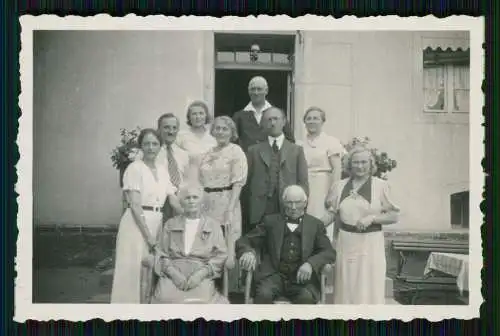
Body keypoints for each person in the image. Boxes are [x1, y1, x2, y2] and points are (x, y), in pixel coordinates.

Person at [324, 145, 400, 304]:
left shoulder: (381, 186)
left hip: (370, 243)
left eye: (364, 162)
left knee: (369, 287)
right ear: (349, 164)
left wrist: (372, 218)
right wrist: (312, 227)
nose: (360, 166)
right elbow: (332, 214)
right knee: (346, 287)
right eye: (356, 162)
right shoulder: (338, 186)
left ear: (371, 164)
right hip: (346, 242)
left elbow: (394, 216)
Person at [111, 129, 179, 303]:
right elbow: (134, 205)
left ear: (160, 147)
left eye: (155, 144)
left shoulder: (163, 170)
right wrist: (149, 237)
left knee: (150, 274)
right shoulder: (135, 168)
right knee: (132, 271)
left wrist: (192, 215)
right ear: (141, 146)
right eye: (147, 143)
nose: (151, 148)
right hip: (136, 224)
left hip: (157, 221)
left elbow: (172, 199)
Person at [236, 185, 336, 304]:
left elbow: (329, 252)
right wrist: (248, 252)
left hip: (303, 280)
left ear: (305, 203)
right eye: (289, 202)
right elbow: (244, 240)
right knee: (263, 295)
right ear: (283, 203)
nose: (293, 207)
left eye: (297, 202)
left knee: (306, 299)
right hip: (273, 276)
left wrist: (310, 264)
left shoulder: (315, 225)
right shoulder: (271, 222)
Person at [149, 183, 229, 304]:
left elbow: (221, 255)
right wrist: (173, 274)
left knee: (203, 302)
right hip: (173, 274)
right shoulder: (170, 224)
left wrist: (201, 274)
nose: (191, 201)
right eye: (187, 198)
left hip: (200, 274)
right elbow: (161, 253)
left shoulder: (213, 225)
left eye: (195, 197)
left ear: (201, 201)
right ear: (181, 202)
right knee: (164, 299)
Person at [198, 116, 248, 296]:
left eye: (224, 129)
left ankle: (229, 293)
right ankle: (208, 291)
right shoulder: (207, 153)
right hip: (207, 203)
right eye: (217, 128)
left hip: (227, 200)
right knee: (207, 245)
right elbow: (200, 179)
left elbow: (238, 182)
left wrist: (230, 208)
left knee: (228, 245)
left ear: (232, 132)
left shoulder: (236, 152)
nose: (220, 132)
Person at [246, 107, 309, 228]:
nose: (272, 123)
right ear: (263, 123)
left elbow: (303, 182)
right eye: (268, 120)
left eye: (276, 119)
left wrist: (300, 209)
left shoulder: (296, 150)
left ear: (284, 121)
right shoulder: (253, 150)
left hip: (288, 206)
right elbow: (247, 184)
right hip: (260, 208)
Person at [296, 106, 345, 242]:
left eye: (316, 118)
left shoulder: (331, 141)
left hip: (323, 185)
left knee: (321, 220)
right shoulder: (299, 143)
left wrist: (333, 192)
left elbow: (337, 169)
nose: (312, 121)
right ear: (304, 122)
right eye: (308, 118)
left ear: (323, 121)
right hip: (304, 184)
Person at [136, 113, 190, 220]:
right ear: (159, 129)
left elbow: (187, 180)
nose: (171, 131)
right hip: (159, 202)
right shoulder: (149, 152)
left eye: (174, 128)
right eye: (166, 127)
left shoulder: (183, 154)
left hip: (180, 201)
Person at [232, 76, 295, 153]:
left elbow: (290, 141)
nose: (256, 92)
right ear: (248, 91)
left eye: (259, 89)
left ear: (266, 91)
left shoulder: (278, 113)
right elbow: (233, 142)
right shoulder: (238, 116)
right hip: (247, 162)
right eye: (253, 89)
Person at [176, 100, 217, 179]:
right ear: (189, 117)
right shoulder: (181, 136)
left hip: (210, 180)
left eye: (201, 113)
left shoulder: (213, 136)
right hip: (189, 179)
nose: (198, 117)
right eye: (194, 114)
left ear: (206, 116)